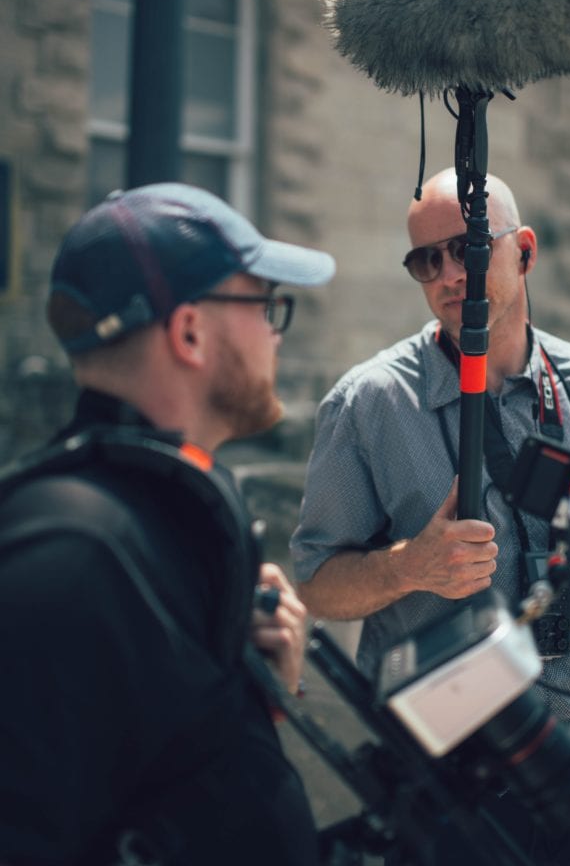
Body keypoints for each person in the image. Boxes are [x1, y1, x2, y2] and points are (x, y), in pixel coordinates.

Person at [291, 167, 570, 866]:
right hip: (455, 803)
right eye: (425, 260)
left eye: (467, 249)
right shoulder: (369, 405)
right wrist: (410, 565)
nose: (448, 274)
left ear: (523, 252)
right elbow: (317, 584)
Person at [0, 182, 335, 866]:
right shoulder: (74, 552)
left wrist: (255, 687)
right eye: (263, 305)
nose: (275, 332)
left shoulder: (161, 524)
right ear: (189, 331)